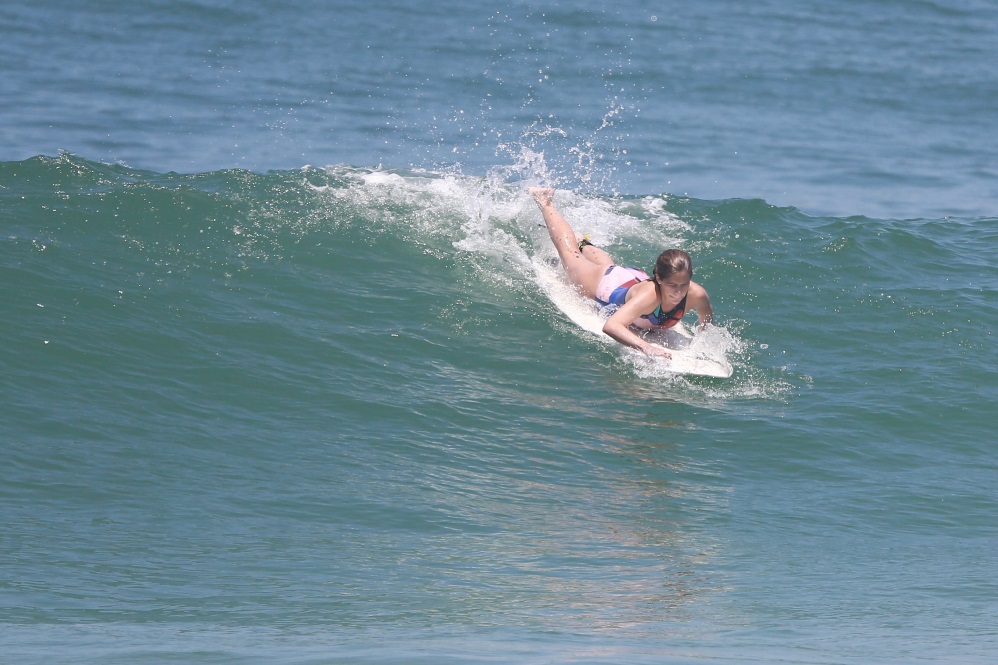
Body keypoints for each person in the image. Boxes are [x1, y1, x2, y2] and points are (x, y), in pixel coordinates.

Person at [529, 187, 713, 359]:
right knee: (570, 254)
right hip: (607, 287)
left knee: (608, 265)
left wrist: (704, 345)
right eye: (672, 285)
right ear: (659, 279)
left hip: (630, 279)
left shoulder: (697, 295)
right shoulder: (649, 297)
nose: (679, 292)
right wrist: (646, 347)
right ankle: (545, 201)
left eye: (684, 285)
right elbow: (611, 326)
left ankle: (584, 243)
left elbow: (706, 325)